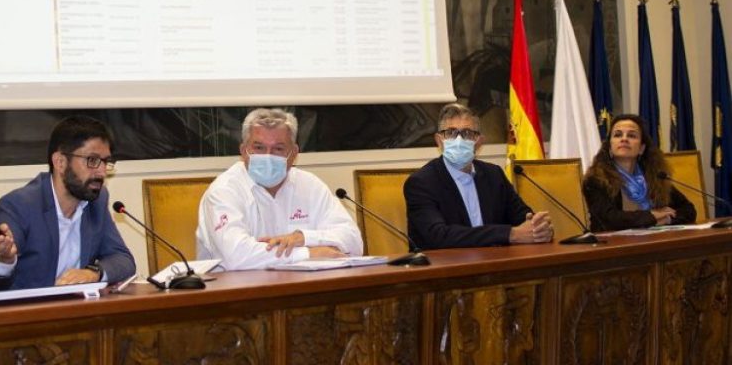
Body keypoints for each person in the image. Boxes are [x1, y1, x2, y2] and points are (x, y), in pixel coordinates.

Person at [0, 115, 136, 291]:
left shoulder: (96, 201)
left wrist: (93, 273)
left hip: (76, 306)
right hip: (31, 307)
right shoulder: (19, 205)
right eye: (92, 160)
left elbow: (123, 260)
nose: (102, 172)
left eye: (105, 162)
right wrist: (5, 260)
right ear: (60, 162)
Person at [196, 108, 363, 270]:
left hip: (300, 285)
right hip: (236, 288)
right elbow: (236, 256)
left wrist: (303, 238)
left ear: (294, 153)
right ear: (243, 151)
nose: (268, 156)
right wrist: (308, 253)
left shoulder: (310, 186)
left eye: (278, 149)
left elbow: (354, 241)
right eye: (259, 148)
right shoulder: (224, 191)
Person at [404, 104, 554, 249]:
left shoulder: (494, 175)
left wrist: (538, 227)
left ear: (479, 142)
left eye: (467, 134)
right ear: (439, 141)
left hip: (495, 261)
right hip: (446, 264)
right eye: (451, 133)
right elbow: (437, 236)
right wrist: (509, 234)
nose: (459, 140)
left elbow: (522, 218)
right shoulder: (421, 183)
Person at [583, 114, 695, 232]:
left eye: (631, 135)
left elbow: (688, 210)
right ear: (610, 147)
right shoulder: (596, 179)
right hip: (613, 242)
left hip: (655, 240)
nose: (624, 139)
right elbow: (610, 220)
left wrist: (666, 220)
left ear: (641, 148)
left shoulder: (654, 176)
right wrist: (652, 216)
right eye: (618, 135)